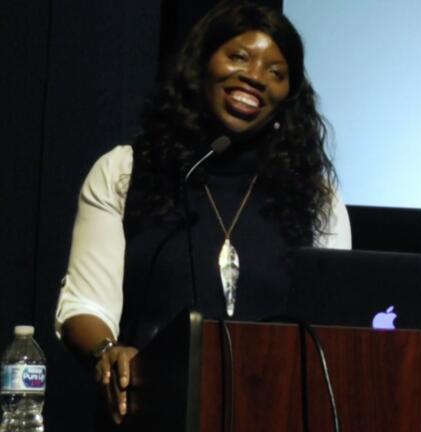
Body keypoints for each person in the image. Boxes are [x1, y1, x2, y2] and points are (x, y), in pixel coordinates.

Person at [54, 1, 351, 424]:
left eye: (276, 72)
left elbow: (331, 331)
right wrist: (108, 352)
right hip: (154, 414)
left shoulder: (316, 197)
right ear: (201, 63)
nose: (255, 77)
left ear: (289, 96)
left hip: (273, 415)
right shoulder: (125, 171)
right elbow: (84, 304)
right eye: (239, 57)